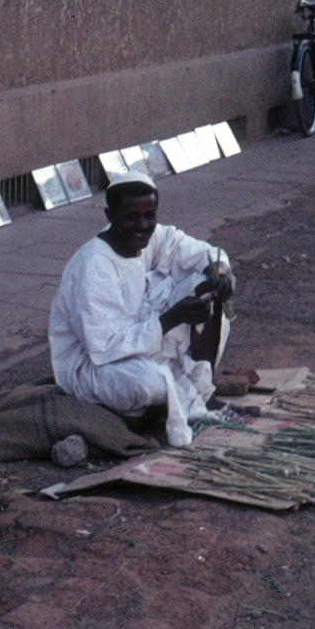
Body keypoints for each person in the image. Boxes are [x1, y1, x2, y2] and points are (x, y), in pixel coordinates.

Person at [48, 174, 235, 447]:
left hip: (137, 336)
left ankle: (198, 391)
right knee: (151, 384)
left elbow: (195, 251)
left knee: (203, 285)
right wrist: (172, 318)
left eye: (150, 215)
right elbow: (103, 347)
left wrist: (218, 273)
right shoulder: (93, 266)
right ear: (110, 215)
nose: (142, 225)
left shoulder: (148, 235)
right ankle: (160, 404)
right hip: (92, 361)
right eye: (132, 217)